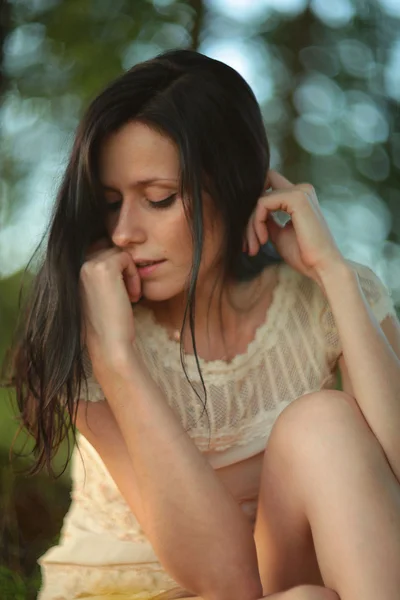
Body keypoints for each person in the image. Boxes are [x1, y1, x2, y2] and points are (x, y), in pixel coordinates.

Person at [5, 49, 400, 600]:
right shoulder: (97, 322)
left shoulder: (321, 300)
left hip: (281, 584)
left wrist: (332, 274)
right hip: (125, 591)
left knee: (326, 422)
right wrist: (117, 358)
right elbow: (226, 581)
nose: (124, 231)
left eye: (159, 199)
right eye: (112, 203)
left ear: (235, 187)